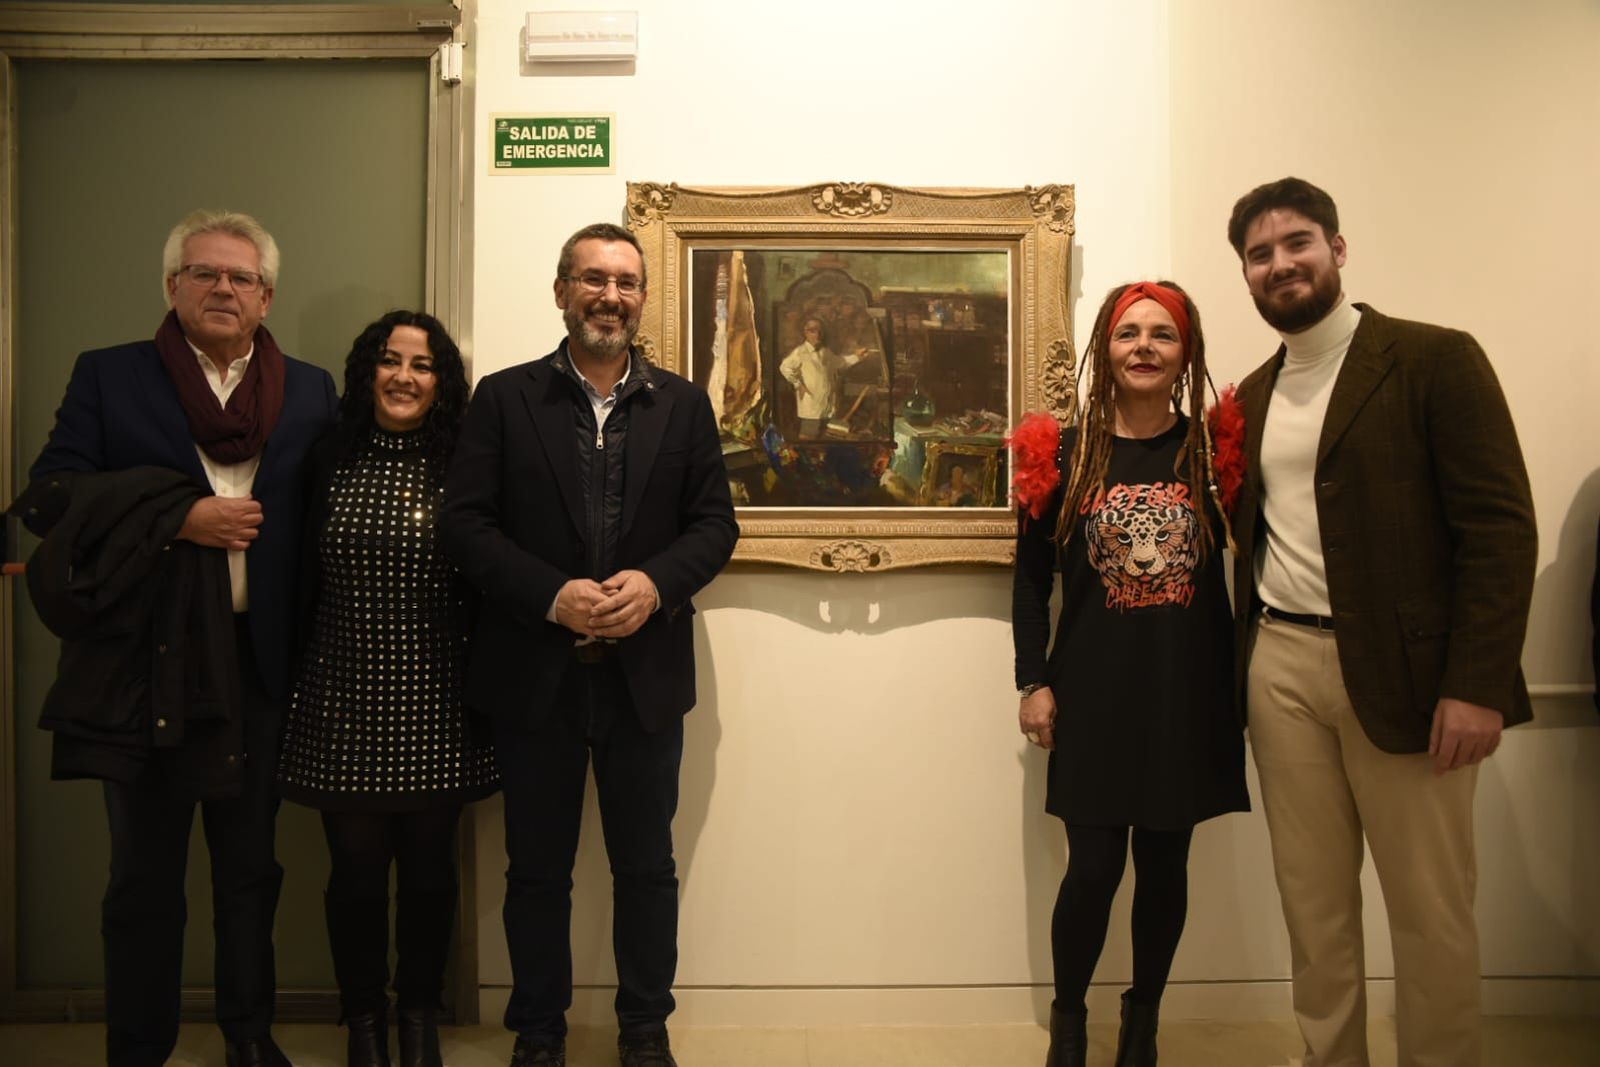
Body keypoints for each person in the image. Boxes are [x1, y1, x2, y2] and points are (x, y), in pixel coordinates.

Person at [1225, 177, 1536, 1067]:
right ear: (1245, 273)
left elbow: (1500, 528)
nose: (1280, 263)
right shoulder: (1247, 396)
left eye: (1297, 243)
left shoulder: (1435, 358)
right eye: (1259, 253)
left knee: (1431, 912)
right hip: (1280, 668)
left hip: (1410, 679)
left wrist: (1475, 684)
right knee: (1314, 910)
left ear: (1337, 249)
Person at [18, 210, 337, 1067]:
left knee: (250, 872)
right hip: (146, 665)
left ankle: (249, 1036)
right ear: (172, 287)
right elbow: (50, 498)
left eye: (240, 277)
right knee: (144, 881)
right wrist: (177, 516)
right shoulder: (111, 377)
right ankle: (139, 1045)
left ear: (267, 295)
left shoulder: (310, 390)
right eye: (203, 273)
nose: (222, 287)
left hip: (261, 665)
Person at [439, 222, 738, 1067]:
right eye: (593, 279)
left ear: (643, 298)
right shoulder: (502, 398)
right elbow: (465, 525)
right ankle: (538, 1034)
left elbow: (715, 524)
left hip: (644, 683)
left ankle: (645, 1030)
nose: (611, 295)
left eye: (626, 282)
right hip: (535, 680)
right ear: (562, 289)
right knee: (536, 874)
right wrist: (549, 596)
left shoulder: (682, 404)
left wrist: (656, 583)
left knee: (647, 868)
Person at [1011, 281, 1248, 1067]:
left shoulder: (1215, 455)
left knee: (1166, 864)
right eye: (1127, 333)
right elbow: (1027, 578)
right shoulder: (1065, 452)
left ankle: (1144, 1019)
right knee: (1094, 866)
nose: (1144, 345)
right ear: (1104, 350)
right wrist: (1032, 678)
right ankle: (1071, 1018)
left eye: (1163, 334)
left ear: (1187, 354)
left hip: (1188, 689)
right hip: (1093, 692)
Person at [278, 310, 499, 1067]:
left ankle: (418, 1018)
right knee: (356, 878)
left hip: (439, 697)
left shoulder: (467, 463)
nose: (404, 376)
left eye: (424, 364)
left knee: (433, 876)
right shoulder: (325, 457)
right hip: (341, 695)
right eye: (390, 359)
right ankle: (364, 1021)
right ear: (367, 369)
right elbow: (296, 579)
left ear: (443, 383)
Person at [779, 316, 866, 437]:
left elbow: (840, 363)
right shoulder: (800, 352)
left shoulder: (825, 352)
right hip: (811, 408)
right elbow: (785, 367)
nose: (817, 334)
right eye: (813, 330)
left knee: (826, 440)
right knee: (808, 440)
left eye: (820, 331)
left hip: (827, 407)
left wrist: (857, 357)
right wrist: (798, 384)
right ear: (805, 332)